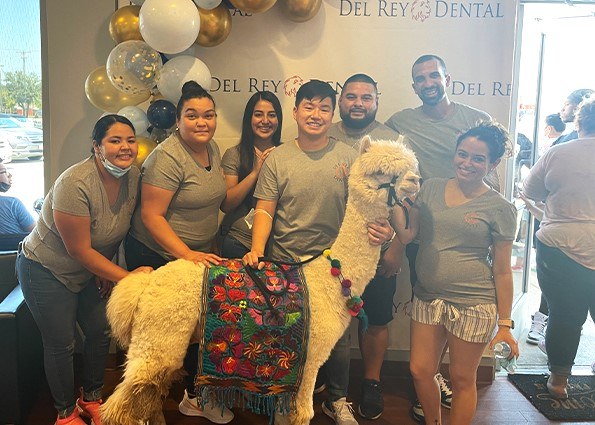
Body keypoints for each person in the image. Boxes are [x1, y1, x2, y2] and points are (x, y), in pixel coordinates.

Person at [243, 79, 393, 425]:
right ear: (295, 112)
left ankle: (336, 399)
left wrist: (389, 231)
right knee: (284, 334)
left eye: (324, 108)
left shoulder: (347, 156)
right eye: (308, 107)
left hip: (332, 268)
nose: (316, 114)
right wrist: (256, 249)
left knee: (336, 339)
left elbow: (365, 204)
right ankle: (284, 400)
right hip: (285, 264)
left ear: (332, 113)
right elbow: (265, 209)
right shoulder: (279, 158)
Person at [15, 115, 151, 425]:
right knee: (62, 343)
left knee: (100, 332)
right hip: (45, 269)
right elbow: (79, 249)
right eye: (115, 140)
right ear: (96, 147)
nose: (125, 147)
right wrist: (127, 277)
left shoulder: (133, 177)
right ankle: (65, 413)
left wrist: (106, 269)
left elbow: (114, 231)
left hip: (91, 268)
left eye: (130, 140)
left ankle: (91, 399)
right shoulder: (74, 183)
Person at [385, 54, 494, 421]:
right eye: (421, 78)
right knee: (429, 312)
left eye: (434, 75)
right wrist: (399, 242)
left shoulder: (476, 120)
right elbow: (386, 168)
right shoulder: (400, 123)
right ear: (414, 85)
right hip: (423, 235)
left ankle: (452, 380)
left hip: (468, 235)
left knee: (463, 317)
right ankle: (427, 388)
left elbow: (489, 177)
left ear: (448, 78)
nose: (428, 82)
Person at [392, 122, 519, 425]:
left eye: (478, 159)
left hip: (474, 304)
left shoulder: (500, 208)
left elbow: (502, 270)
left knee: (462, 379)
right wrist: (388, 203)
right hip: (428, 297)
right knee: (420, 370)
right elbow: (408, 233)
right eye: (462, 154)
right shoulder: (431, 186)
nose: (467, 163)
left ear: (493, 164)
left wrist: (505, 323)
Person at [125, 81, 233, 423]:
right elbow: (150, 215)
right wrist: (186, 253)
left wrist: (199, 251)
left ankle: (195, 398)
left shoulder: (212, 149)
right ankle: (143, 409)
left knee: (198, 333)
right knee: (159, 342)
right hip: (158, 256)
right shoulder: (166, 157)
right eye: (192, 116)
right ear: (178, 120)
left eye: (208, 115)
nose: (202, 123)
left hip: (194, 258)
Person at [328, 73, 403, 420]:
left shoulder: (394, 142)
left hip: (376, 248)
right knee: (332, 318)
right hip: (331, 252)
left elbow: (407, 202)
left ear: (377, 100)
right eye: (351, 96)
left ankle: (371, 383)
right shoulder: (322, 135)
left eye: (366, 97)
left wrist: (396, 246)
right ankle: (329, 386)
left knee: (374, 318)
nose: (358, 103)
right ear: (341, 100)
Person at [522, 97, 595, 399]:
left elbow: (530, 191)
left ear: (579, 123)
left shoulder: (559, 153)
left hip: (560, 245)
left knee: (565, 315)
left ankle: (559, 381)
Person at [219, 91, 282, 258]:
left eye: (272, 115)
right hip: (238, 242)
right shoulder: (234, 154)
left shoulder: (286, 153)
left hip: (277, 245)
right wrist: (256, 172)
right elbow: (226, 204)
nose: (265, 121)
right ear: (249, 119)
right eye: (258, 115)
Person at [0, 158, 35, 242]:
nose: (9, 175)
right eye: (5, 172)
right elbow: (37, 233)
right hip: (15, 253)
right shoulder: (13, 204)